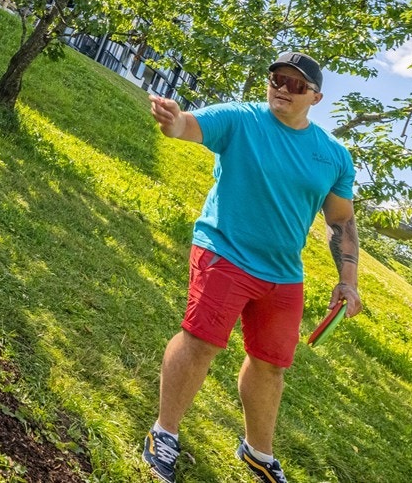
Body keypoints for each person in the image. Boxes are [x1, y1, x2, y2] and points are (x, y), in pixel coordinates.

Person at [139, 51, 361, 483]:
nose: (283, 88)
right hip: (224, 251)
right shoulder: (241, 119)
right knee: (201, 341)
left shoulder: (334, 156)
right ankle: (163, 433)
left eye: (296, 84)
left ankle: (258, 451)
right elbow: (189, 125)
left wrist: (347, 281)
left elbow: (341, 220)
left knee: (271, 364)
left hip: (283, 274)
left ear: (315, 97)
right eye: (277, 79)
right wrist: (172, 120)